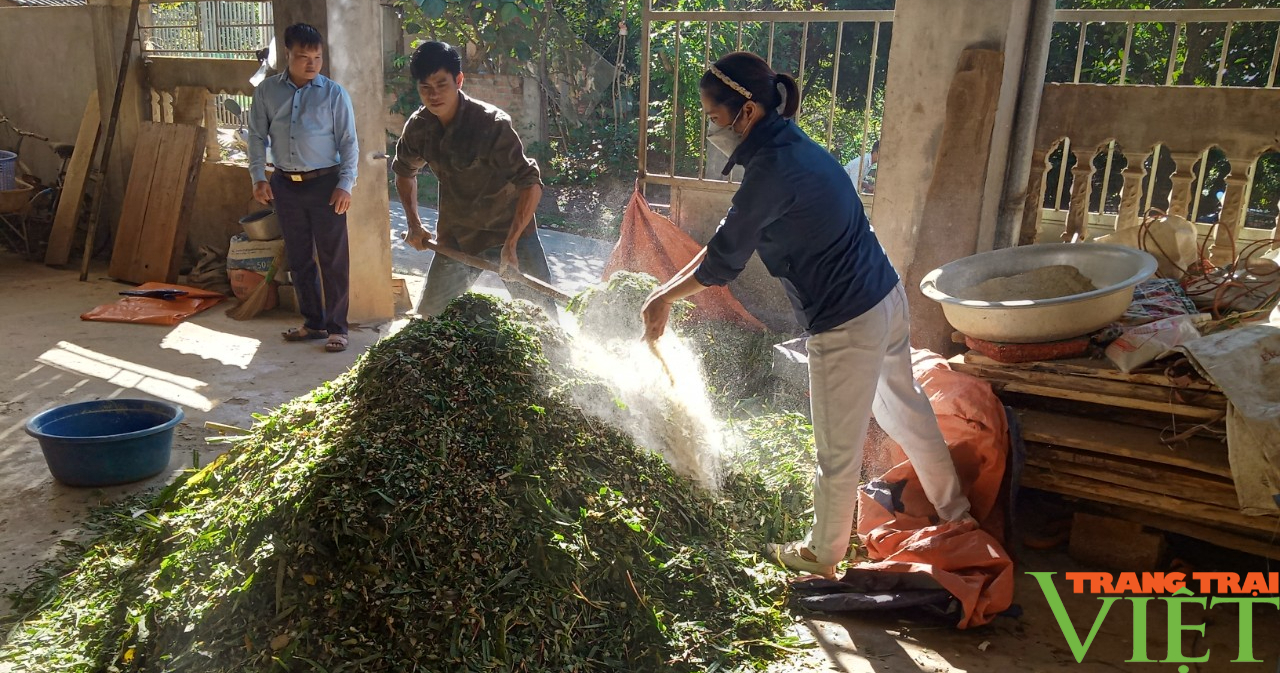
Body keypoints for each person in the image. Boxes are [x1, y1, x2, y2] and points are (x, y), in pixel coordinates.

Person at [640, 52, 974, 579]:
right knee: (906, 411)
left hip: (847, 318)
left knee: (835, 450)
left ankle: (824, 552)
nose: (712, 128)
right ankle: (957, 514)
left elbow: (723, 261)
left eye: (713, 116)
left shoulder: (772, 168)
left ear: (745, 112)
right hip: (884, 296)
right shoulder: (792, 147)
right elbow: (727, 243)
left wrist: (662, 299)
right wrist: (663, 292)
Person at [391, 41, 557, 318]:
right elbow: (404, 172)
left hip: (510, 233)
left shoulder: (491, 124)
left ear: (459, 80)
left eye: (441, 85)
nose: (433, 96)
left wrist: (512, 244)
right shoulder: (419, 128)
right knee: (430, 321)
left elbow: (531, 182)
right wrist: (414, 224)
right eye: (425, 88)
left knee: (542, 322)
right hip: (458, 236)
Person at [247, 22, 358, 353]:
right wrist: (258, 176)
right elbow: (256, 136)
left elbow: (349, 142)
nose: (312, 64)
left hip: (326, 185)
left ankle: (338, 328)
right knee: (299, 259)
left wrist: (345, 184)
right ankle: (313, 323)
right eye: (303, 56)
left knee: (333, 259)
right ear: (287, 55)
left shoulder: (334, 94)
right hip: (284, 185)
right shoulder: (266, 91)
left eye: (317, 57)